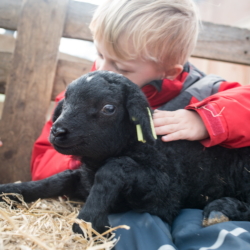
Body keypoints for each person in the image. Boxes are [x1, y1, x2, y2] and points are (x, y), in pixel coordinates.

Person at [31, 0, 250, 249]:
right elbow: (44, 158)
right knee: (132, 226)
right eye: (100, 54)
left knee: (208, 233)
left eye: (121, 67)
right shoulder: (83, 97)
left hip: (194, 200)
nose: (103, 69)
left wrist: (207, 118)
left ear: (168, 71)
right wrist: (88, 159)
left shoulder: (204, 92)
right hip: (127, 203)